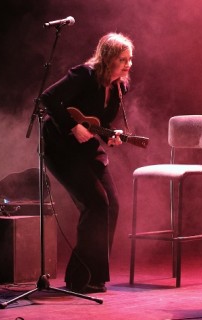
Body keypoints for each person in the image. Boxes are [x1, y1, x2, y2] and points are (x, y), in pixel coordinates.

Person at [39, 32, 135, 294]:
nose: (128, 65)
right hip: (61, 148)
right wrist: (72, 126)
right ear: (107, 59)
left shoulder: (119, 87)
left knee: (111, 205)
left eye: (130, 59)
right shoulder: (84, 75)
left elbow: (99, 123)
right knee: (96, 203)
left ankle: (92, 277)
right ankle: (79, 278)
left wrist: (111, 135)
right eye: (122, 59)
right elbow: (48, 98)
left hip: (87, 150)